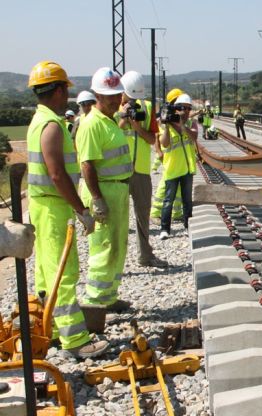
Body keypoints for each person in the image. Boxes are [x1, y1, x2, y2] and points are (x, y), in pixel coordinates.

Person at [25, 60, 106, 359]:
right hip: (54, 207)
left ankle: (54, 330)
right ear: (58, 90)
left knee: (47, 274)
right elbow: (57, 174)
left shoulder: (38, 121)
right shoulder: (52, 126)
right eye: (65, 90)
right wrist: (82, 210)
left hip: (43, 206)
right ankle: (75, 341)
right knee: (65, 272)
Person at [76, 67, 134, 312]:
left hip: (118, 190)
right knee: (103, 248)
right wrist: (97, 199)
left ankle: (109, 297)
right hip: (103, 192)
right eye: (111, 96)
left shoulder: (110, 121)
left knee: (118, 245)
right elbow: (87, 163)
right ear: (98, 95)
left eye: (117, 95)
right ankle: (94, 303)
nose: (115, 100)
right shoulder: (91, 124)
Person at [118, 71, 167, 268]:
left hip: (140, 170)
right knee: (118, 218)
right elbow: (111, 133)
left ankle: (145, 256)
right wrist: (123, 118)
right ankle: (115, 261)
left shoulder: (146, 108)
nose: (133, 102)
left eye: (136, 98)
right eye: (130, 98)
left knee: (142, 215)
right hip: (118, 171)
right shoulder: (112, 108)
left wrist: (137, 127)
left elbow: (152, 140)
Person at [158, 93, 198, 240]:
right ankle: (164, 228)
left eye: (188, 108)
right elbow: (164, 143)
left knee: (187, 201)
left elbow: (194, 137)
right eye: (183, 108)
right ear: (176, 109)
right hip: (172, 169)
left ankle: (188, 226)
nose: (186, 112)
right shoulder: (166, 123)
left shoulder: (190, 123)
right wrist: (168, 126)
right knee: (168, 200)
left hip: (187, 169)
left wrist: (182, 125)